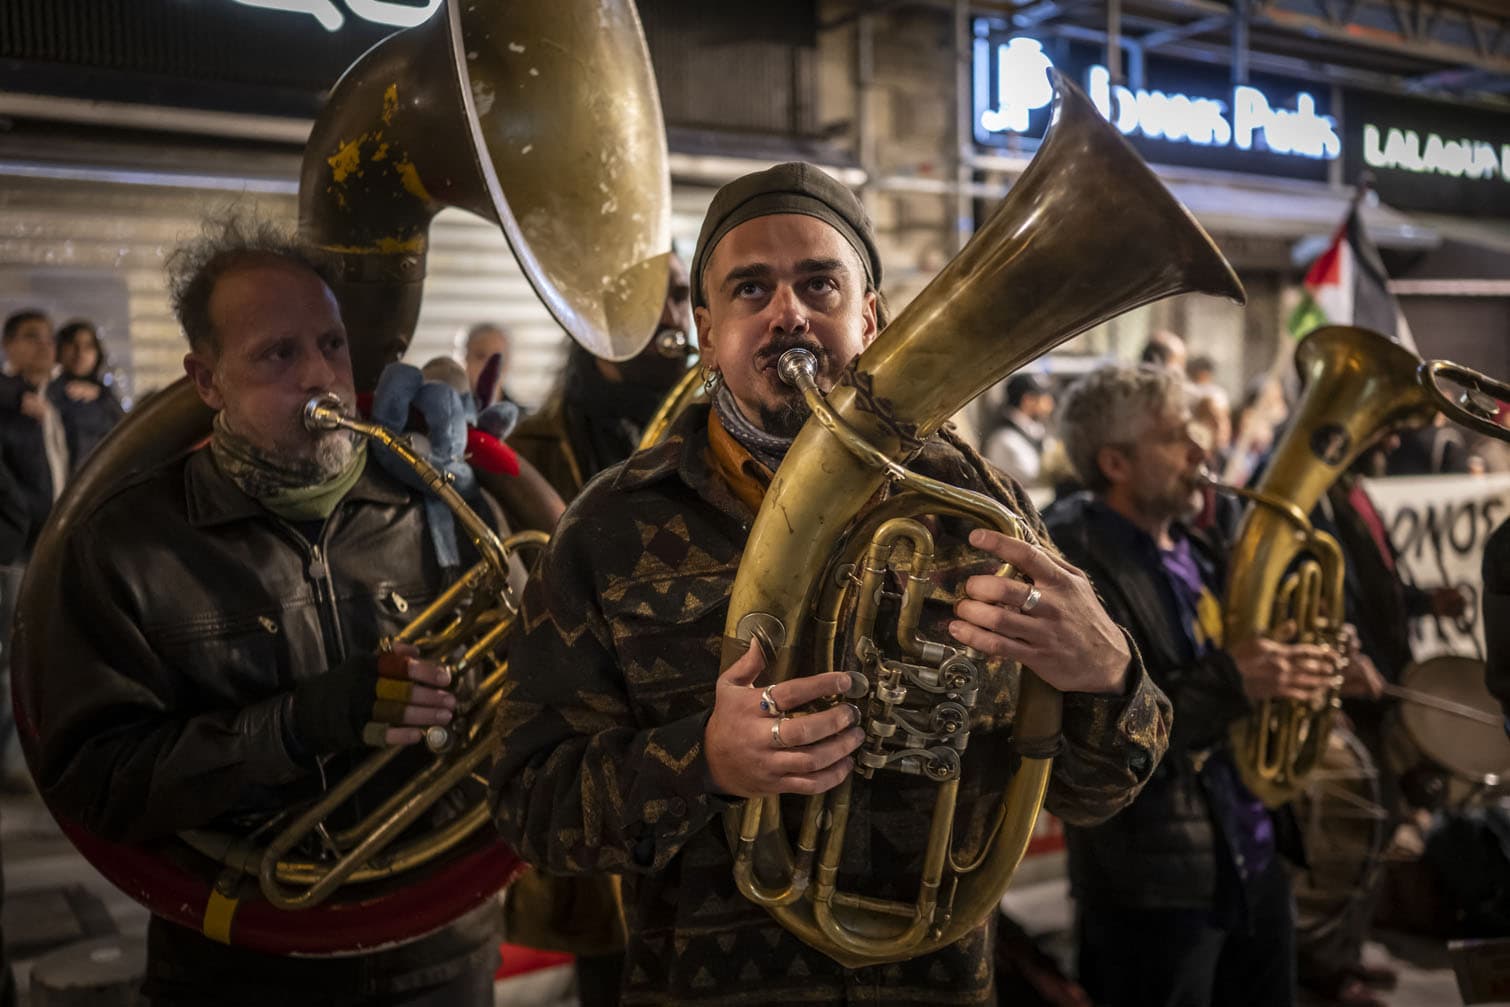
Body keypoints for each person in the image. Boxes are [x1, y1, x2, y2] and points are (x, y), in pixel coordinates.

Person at [487, 162, 1172, 1005]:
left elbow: (1096, 792)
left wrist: (1107, 672)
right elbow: (529, 808)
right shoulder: (608, 528)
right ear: (707, 331)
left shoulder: (982, 506)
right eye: (750, 289)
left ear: (871, 317)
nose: (789, 313)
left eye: (820, 283)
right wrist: (698, 759)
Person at [30, 215, 503, 1006]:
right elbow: (93, 781)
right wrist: (290, 726)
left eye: (331, 344)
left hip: (438, 947)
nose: (321, 377)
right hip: (240, 966)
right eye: (278, 354)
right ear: (207, 380)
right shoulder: (128, 543)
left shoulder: (432, 501)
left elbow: (531, 670)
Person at [1044, 363, 1361, 1007]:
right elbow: (1096, 736)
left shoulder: (1199, 542)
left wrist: (1305, 651)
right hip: (1152, 882)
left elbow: (1240, 650)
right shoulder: (1076, 558)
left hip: (1251, 849)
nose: (1201, 449)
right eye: (1173, 436)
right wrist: (1236, 677)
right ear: (1115, 462)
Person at [508, 251, 694, 499]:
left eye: (680, 296)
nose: (671, 319)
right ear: (600, 317)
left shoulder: (708, 431)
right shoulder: (531, 451)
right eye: (647, 301)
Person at [52, 319, 125, 465]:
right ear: (60, 349)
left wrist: (101, 396)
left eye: (88, 346)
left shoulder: (105, 395)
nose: (80, 352)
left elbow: (124, 431)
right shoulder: (50, 392)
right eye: (72, 344)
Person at [983, 370, 1055, 484]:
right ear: (1028, 400)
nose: (1050, 404)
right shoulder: (1004, 439)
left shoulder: (1035, 431)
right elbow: (1037, 480)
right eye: (1044, 397)